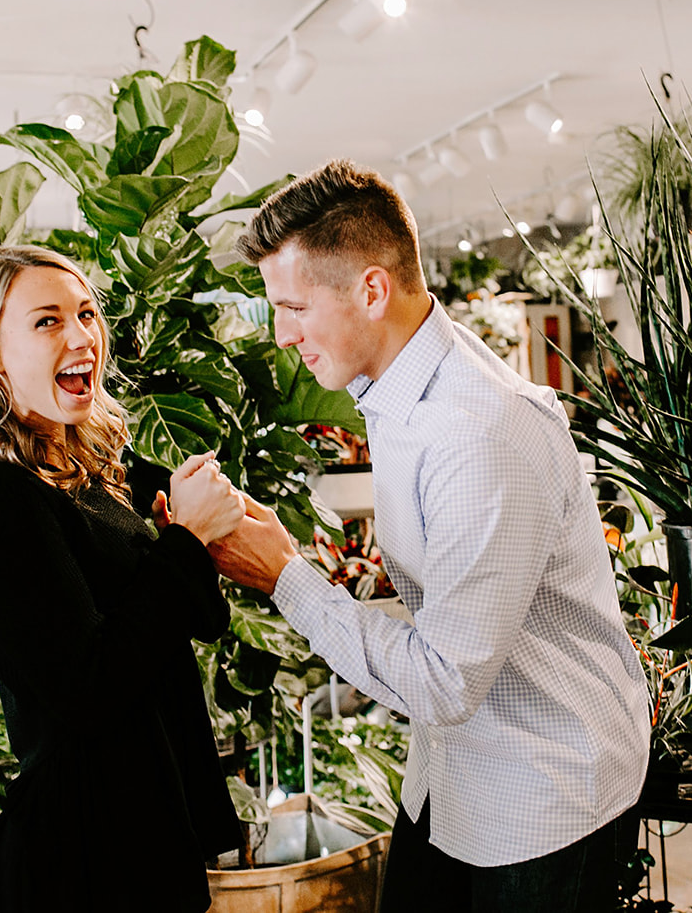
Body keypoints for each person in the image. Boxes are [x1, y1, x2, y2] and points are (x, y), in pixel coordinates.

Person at [210, 160, 651, 912]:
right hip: (452, 777)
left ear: (371, 290)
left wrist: (285, 575)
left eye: (293, 307)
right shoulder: (394, 384)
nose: (282, 335)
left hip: (542, 797)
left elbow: (444, 680)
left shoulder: (479, 431)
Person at [0, 244, 245, 912]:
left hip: (152, 829)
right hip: (84, 854)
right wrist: (183, 539)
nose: (81, 335)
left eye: (86, 313)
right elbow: (88, 687)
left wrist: (191, 535)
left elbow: (203, 620)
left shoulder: (99, 469)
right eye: (48, 320)